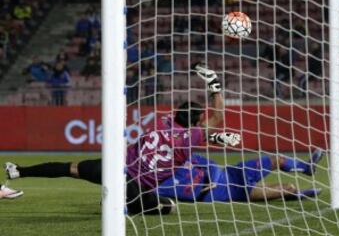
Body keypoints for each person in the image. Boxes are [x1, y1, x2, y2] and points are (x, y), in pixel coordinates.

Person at [4, 63, 240, 215]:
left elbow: (191, 127)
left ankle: (19, 171)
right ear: (197, 122)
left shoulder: (163, 120)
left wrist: (219, 137)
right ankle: (120, 204)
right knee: (167, 207)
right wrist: (214, 84)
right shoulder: (192, 136)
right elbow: (218, 117)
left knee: (70, 168)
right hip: (135, 187)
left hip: (114, 168)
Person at [157, 149, 324, 202]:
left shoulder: (184, 157)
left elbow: (211, 164)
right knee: (287, 188)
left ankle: (306, 167)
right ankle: (294, 194)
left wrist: (213, 178)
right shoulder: (161, 184)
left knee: (277, 160)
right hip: (235, 192)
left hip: (234, 172)